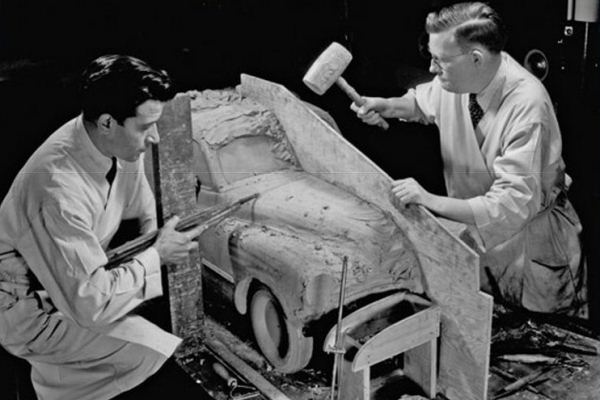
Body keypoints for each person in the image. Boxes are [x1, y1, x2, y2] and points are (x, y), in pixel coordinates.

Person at [352, 2, 586, 315]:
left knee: (540, 341)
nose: (432, 69)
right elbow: (422, 103)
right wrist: (385, 105)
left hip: (531, 248)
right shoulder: (460, 80)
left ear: (476, 58)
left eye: (440, 61)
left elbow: (511, 204)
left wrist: (429, 201)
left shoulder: (528, 105)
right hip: (478, 239)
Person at [0, 55, 205, 400]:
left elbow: (143, 207)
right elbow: (89, 306)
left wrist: (161, 235)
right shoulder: (56, 186)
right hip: (25, 309)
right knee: (151, 352)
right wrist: (157, 256)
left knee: (146, 333)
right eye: (145, 127)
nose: (154, 137)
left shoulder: (110, 141)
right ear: (108, 122)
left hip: (68, 284)